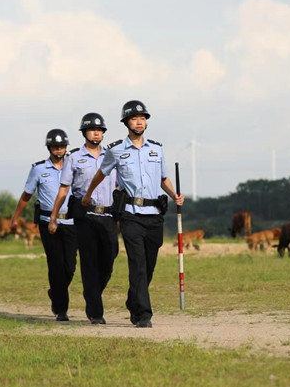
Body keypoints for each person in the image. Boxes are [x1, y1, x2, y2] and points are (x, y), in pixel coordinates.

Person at [81, 100, 184, 328]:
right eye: (135, 118)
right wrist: (88, 194)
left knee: (148, 266)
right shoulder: (116, 150)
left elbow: (163, 178)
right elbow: (101, 174)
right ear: (126, 122)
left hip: (154, 214)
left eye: (143, 118)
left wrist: (175, 194)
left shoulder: (156, 149)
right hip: (130, 215)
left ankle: (133, 300)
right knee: (137, 263)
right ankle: (143, 315)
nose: (140, 122)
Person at [49, 112, 118, 325]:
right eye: (92, 130)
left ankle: (92, 292)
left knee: (109, 258)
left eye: (99, 130)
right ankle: (95, 312)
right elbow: (64, 189)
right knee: (89, 261)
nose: (96, 133)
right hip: (84, 215)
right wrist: (53, 217)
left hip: (107, 214)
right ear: (84, 133)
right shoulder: (74, 158)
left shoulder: (113, 155)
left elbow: (121, 184)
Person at [11, 129, 76, 322]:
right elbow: (27, 194)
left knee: (70, 267)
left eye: (62, 146)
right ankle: (61, 308)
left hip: (71, 222)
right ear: (49, 148)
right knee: (55, 265)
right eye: (55, 146)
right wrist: (16, 216)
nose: (59, 150)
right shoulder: (38, 169)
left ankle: (55, 292)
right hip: (48, 223)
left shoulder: (73, 166)